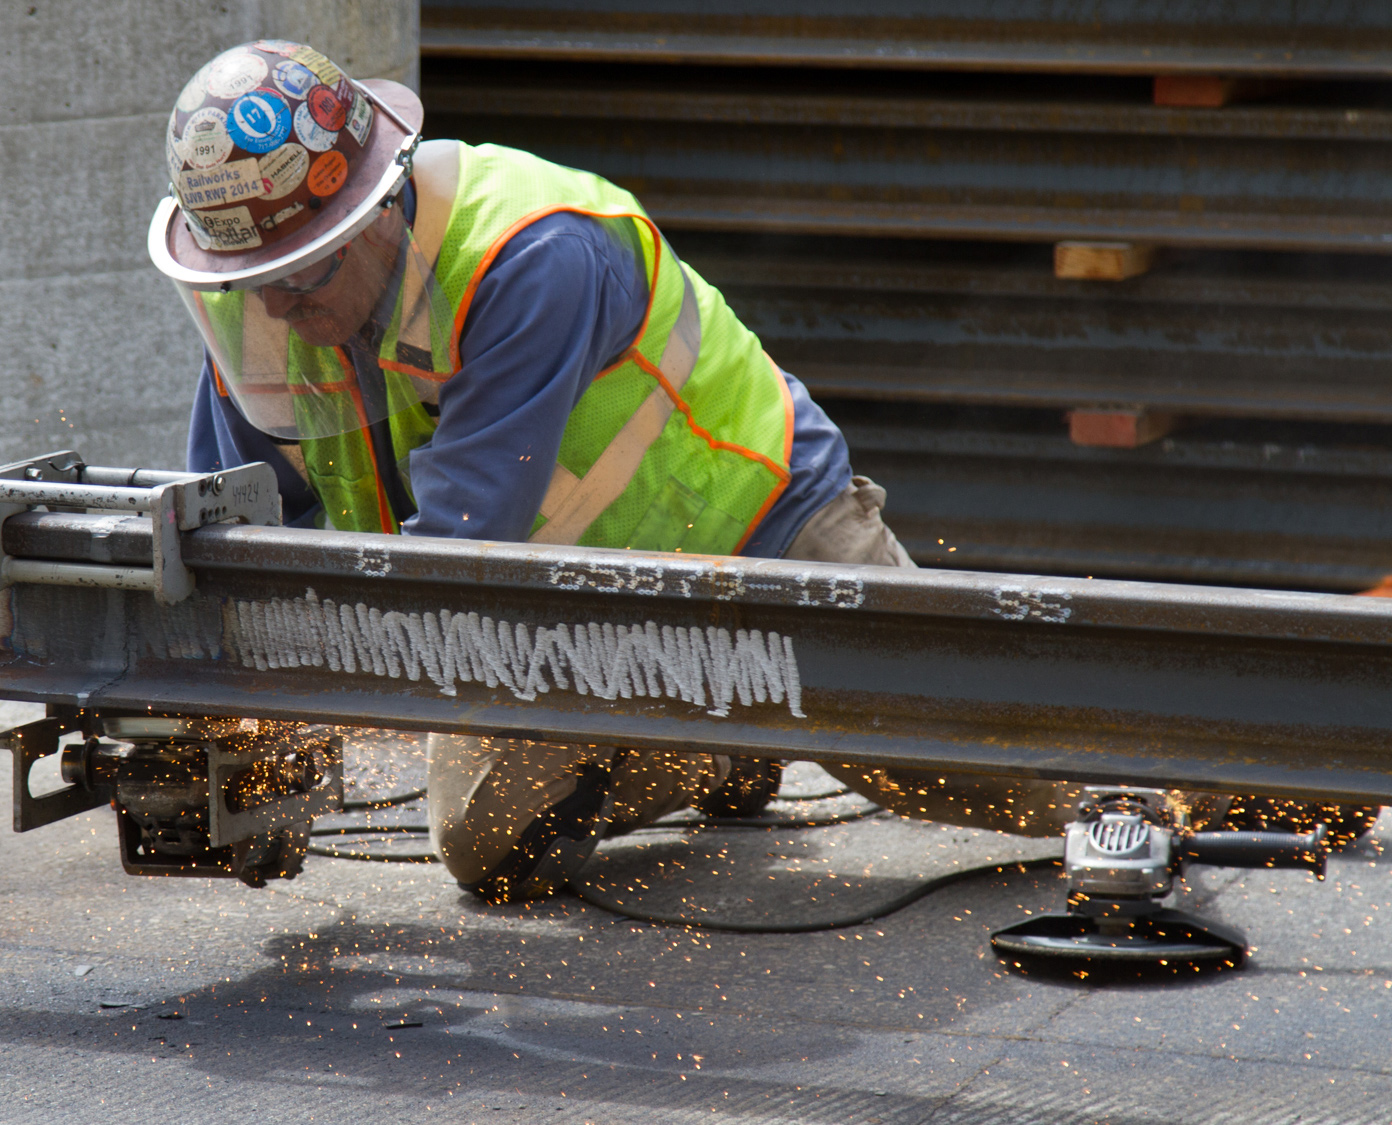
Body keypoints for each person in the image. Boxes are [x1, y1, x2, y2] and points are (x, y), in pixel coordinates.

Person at [146, 41, 1069, 903]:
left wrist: (310, 703)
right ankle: (722, 743)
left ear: (381, 212)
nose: (275, 305)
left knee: (959, 760)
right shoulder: (273, 312)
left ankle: (1154, 791)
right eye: (248, 281)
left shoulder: (532, 254)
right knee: (488, 844)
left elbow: (457, 559)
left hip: (760, 530)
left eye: (303, 274)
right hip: (578, 602)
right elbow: (242, 537)